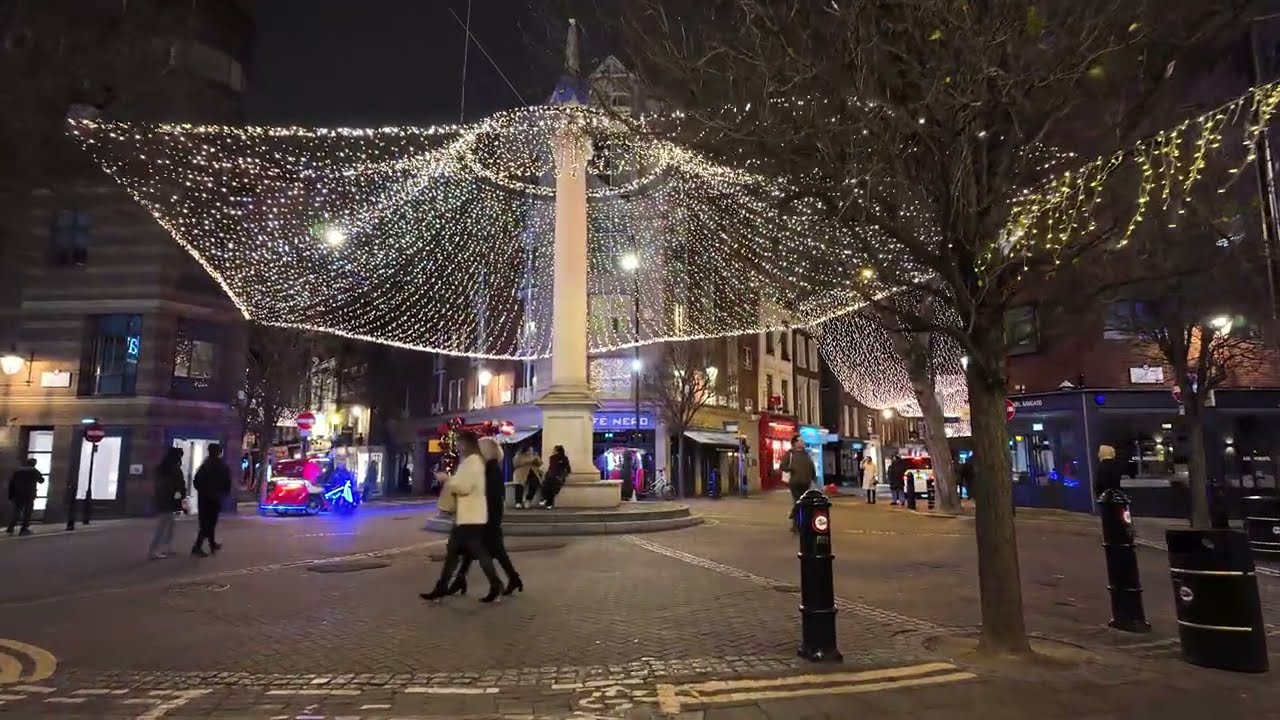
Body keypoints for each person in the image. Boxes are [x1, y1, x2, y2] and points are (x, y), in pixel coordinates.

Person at [420, 431, 504, 603]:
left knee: (476, 552)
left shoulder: (472, 462)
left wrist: (446, 479)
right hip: (469, 516)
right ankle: (442, 588)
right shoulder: (475, 462)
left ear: (466, 444)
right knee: (456, 553)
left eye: (460, 443)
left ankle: (495, 585)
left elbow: (464, 487)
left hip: (470, 517)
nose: (458, 447)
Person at [448, 437, 523, 596]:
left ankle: (502, 582)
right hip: (487, 516)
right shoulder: (488, 467)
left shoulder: (490, 469)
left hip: (487, 517)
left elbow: (490, 496)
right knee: (477, 549)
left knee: (487, 549)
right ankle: (461, 579)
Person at [191, 443, 231, 557]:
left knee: (206, 522)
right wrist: (223, 494)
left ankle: (211, 544)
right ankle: (197, 547)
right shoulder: (221, 465)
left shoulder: (205, 465)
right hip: (215, 498)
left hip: (204, 498)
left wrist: (203, 491)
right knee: (210, 523)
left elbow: (196, 481)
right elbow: (227, 482)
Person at [149, 447, 187, 559]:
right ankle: (153, 550)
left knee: (170, 525)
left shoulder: (162, 468)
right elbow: (179, 485)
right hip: (169, 501)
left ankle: (167, 547)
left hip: (163, 500)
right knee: (163, 526)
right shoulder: (175, 470)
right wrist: (181, 496)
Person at [780, 436, 816, 531]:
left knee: (803, 503)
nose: (803, 442)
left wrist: (813, 479)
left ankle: (797, 517)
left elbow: (812, 467)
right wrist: (791, 468)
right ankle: (796, 525)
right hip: (795, 482)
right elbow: (782, 466)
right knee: (798, 501)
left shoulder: (807, 454)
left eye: (803, 441)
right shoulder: (790, 453)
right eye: (801, 441)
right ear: (795, 443)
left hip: (806, 482)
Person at [6, 458, 44, 536]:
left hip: (18, 494)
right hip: (29, 495)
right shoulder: (33, 470)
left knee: (17, 511)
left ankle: (10, 527)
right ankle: (23, 529)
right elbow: (41, 480)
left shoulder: (17, 471)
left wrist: (11, 495)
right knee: (28, 512)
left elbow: (11, 483)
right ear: (34, 464)